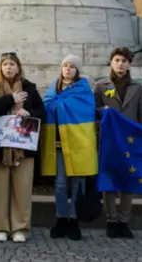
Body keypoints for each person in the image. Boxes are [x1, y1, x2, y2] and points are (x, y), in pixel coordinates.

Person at [0, 53, 45, 243]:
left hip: (23, 146)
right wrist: (10, 99)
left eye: (12, 64)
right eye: (5, 65)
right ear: (0, 68)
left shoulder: (30, 88)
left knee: (23, 189)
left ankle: (20, 228)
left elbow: (42, 113)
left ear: (18, 67)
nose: (8, 68)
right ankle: (1, 227)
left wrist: (29, 112)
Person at [94, 47, 142, 239]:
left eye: (124, 61)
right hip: (108, 140)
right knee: (109, 180)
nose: (120, 64)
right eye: (117, 60)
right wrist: (102, 113)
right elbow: (93, 113)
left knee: (127, 181)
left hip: (131, 140)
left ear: (129, 64)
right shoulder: (101, 86)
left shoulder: (137, 88)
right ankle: (111, 219)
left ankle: (124, 221)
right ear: (111, 62)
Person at [43, 55, 98, 241]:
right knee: (59, 184)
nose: (67, 69)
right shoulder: (54, 88)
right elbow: (47, 105)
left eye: (72, 66)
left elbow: (86, 111)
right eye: (65, 65)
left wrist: (61, 105)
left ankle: (74, 220)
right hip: (57, 143)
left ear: (77, 70)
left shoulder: (84, 90)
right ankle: (61, 219)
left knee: (77, 183)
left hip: (78, 142)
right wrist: (59, 104)